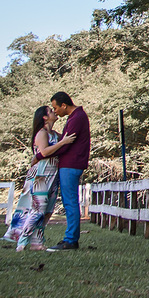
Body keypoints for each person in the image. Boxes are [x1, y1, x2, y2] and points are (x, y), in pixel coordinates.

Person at [2, 106, 75, 250]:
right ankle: (22, 241)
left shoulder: (55, 134)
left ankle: (37, 242)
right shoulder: (41, 134)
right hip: (40, 175)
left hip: (53, 175)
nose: (54, 111)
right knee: (38, 209)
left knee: (47, 210)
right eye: (50, 110)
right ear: (44, 117)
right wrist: (62, 143)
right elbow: (45, 151)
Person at [47, 91, 90, 252]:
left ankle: (71, 240)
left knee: (70, 202)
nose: (55, 111)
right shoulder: (75, 118)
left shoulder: (77, 118)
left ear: (64, 105)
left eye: (55, 108)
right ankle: (70, 238)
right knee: (68, 201)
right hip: (69, 164)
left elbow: (66, 143)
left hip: (71, 164)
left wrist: (43, 154)